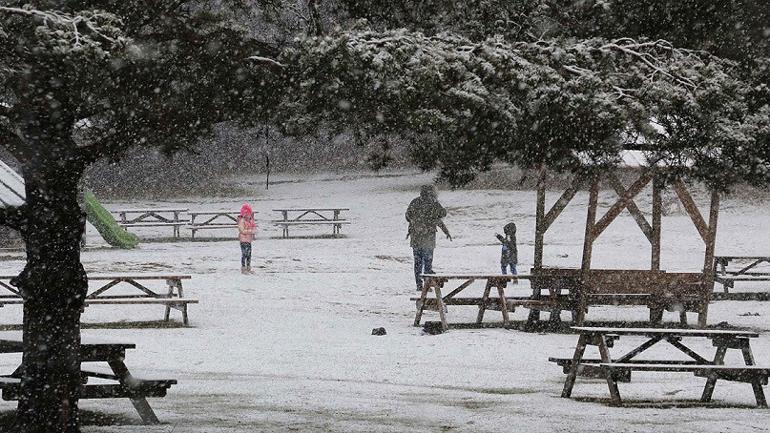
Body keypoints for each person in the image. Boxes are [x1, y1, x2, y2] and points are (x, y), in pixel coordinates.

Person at [406, 185, 452, 290]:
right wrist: (446, 231)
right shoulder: (433, 203)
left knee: (417, 262)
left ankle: (419, 285)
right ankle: (427, 283)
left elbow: (408, 216)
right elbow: (442, 214)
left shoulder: (415, 202)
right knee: (427, 262)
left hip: (416, 237)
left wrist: (415, 222)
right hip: (428, 237)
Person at [237, 203, 257, 274]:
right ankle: (243, 268)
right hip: (243, 240)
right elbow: (242, 230)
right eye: (247, 214)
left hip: (249, 240)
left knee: (249, 254)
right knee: (244, 254)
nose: (249, 216)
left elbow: (253, 227)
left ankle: (248, 267)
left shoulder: (250, 221)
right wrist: (250, 231)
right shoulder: (242, 221)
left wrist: (254, 230)